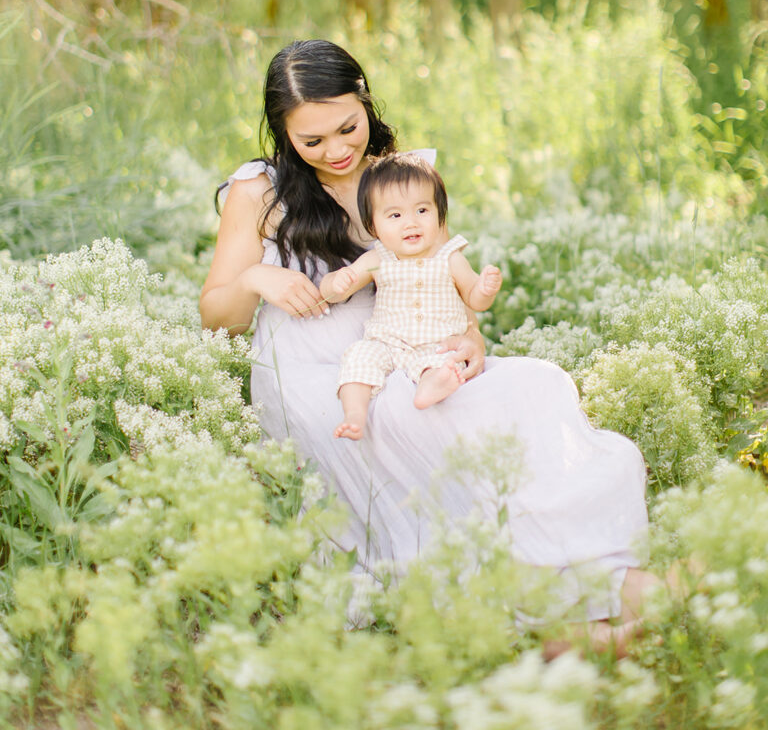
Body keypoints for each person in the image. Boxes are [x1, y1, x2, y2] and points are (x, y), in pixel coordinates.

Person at [200, 39, 654, 648]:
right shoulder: (259, 190)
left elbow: (438, 272)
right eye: (312, 141)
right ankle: (559, 597)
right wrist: (260, 276)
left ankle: (583, 582)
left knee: (534, 385)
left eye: (347, 128)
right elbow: (216, 316)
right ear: (283, 133)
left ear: (365, 102)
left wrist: (470, 336)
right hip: (317, 373)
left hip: (410, 345)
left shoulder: (400, 174)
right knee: (440, 419)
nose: (336, 152)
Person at [321, 153, 503, 439]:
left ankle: (432, 385)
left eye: (422, 211)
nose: (411, 223)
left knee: (444, 364)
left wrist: (483, 289)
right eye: (395, 215)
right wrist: (336, 282)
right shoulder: (377, 258)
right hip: (387, 342)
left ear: (439, 214)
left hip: (436, 344)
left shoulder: (449, 257)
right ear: (373, 225)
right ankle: (354, 415)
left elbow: (472, 298)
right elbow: (335, 291)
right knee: (359, 358)